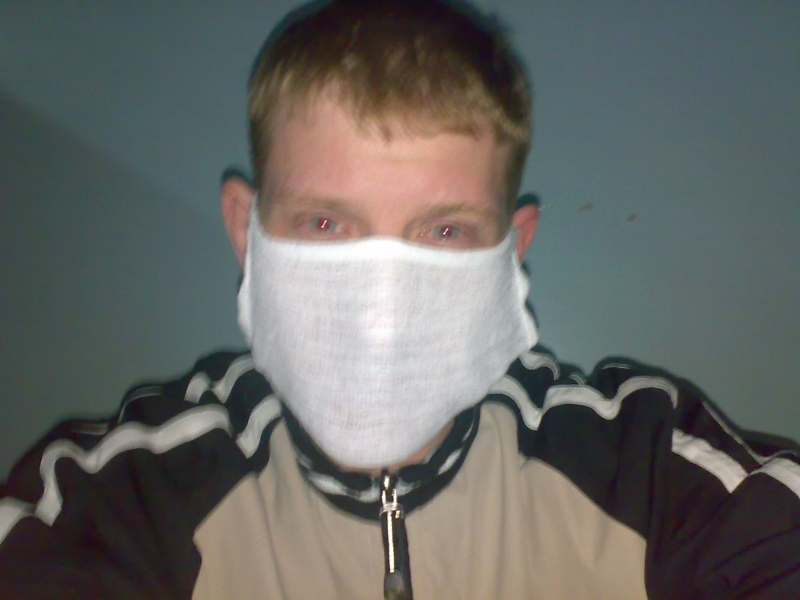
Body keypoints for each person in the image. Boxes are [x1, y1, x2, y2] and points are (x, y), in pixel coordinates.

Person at [1, 0, 798, 598]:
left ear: (511, 250)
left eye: (443, 232)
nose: (379, 316)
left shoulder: (646, 469)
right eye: (326, 223)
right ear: (247, 230)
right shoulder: (118, 499)